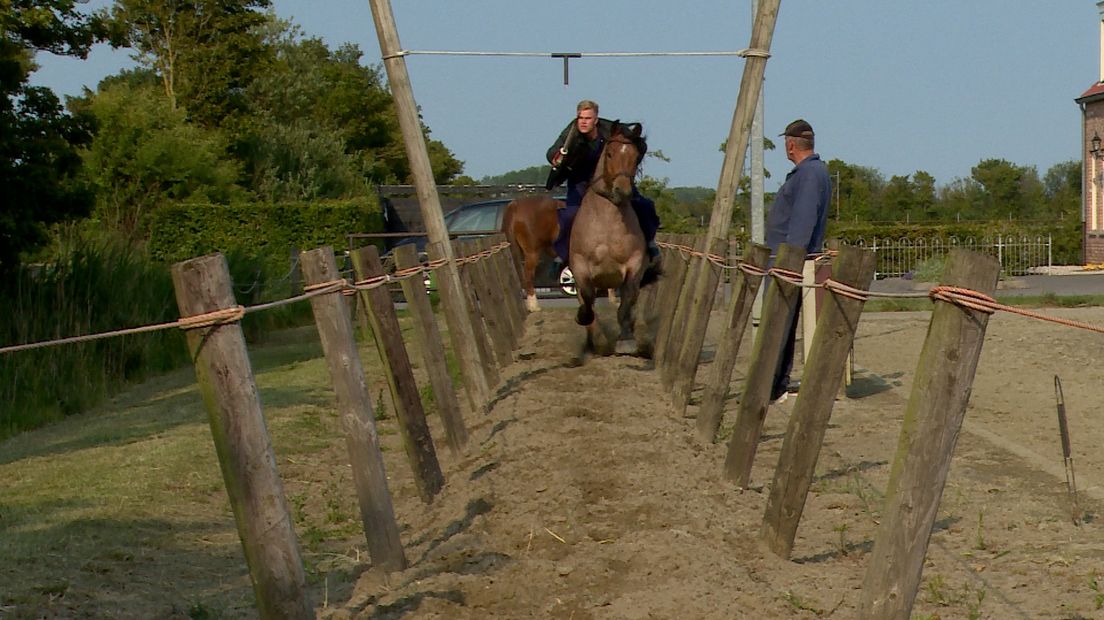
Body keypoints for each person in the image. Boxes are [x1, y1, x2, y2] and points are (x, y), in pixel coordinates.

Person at [544, 99, 661, 265]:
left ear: (596, 120)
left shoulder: (611, 129)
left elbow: (637, 142)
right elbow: (551, 153)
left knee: (645, 206)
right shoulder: (570, 133)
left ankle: (650, 245)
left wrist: (630, 163)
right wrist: (556, 158)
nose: (583, 122)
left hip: (611, 179)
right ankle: (564, 257)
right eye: (580, 118)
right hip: (580, 180)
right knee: (570, 216)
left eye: (587, 118)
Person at [766, 118, 832, 403]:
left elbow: (802, 222)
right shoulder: (812, 172)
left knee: (778, 324)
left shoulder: (808, 174)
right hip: (788, 259)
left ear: (790, 144)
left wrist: (788, 261)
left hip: (789, 262)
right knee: (781, 324)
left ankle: (773, 386)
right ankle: (774, 383)